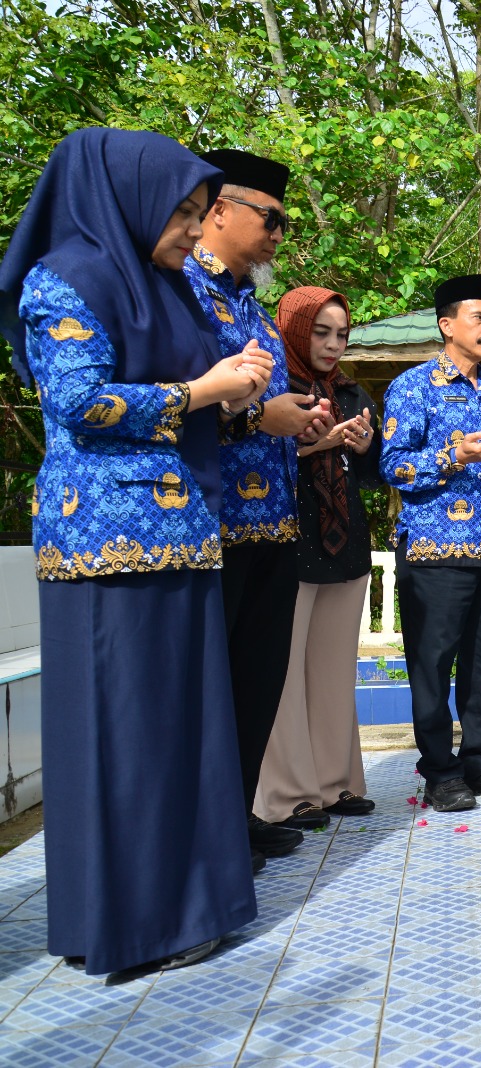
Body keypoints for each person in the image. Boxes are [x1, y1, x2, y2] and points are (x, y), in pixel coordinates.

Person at [0, 128, 274, 973]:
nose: (194, 231)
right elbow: (79, 401)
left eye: (199, 214)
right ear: (125, 200)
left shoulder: (168, 289)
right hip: (105, 543)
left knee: (184, 729)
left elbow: (197, 397)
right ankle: (131, 926)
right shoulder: (69, 278)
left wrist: (238, 391)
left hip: (185, 531)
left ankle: (193, 908)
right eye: (184, 213)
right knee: (125, 734)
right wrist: (203, 390)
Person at [183, 148, 331, 859]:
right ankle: (206, 830)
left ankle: (237, 816)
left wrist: (301, 427)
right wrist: (254, 417)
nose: (279, 234)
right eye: (269, 218)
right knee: (209, 691)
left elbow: (266, 408)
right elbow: (174, 402)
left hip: (273, 524)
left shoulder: (249, 302)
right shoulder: (177, 291)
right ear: (218, 210)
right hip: (212, 529)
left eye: (284, 222)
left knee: (256, 683)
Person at [382, 275, 481, 812]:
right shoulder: (413, 387)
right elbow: (394, 466)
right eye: (479, 318)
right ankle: (440, 770)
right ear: (446, 325)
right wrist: (454, 456)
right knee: (432, 665)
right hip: (433, 552)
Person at [254, 286, 383, 829]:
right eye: (320, 333)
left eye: (341, 335)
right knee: (283, 673)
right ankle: (286, 794)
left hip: (346, 541)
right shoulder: (271, 390)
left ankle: (337, 784)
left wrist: (363, 445)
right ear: (294, 329)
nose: (332, 345)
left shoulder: (350, 393)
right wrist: (315, 444)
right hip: (289, 538)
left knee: (333, 671)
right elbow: (252, 452)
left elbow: (375, 472)